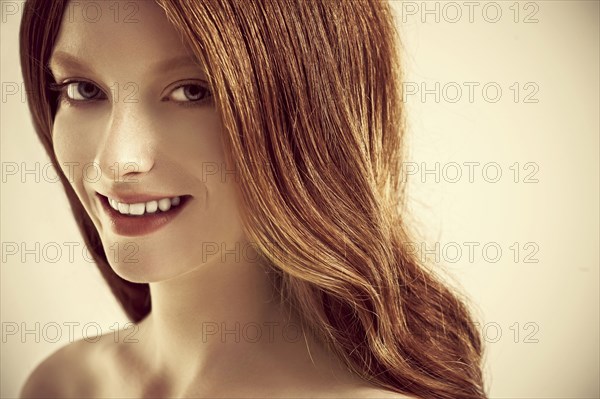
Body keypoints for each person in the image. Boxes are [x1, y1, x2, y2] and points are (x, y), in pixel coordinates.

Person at [18, 0, 487, 398]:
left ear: (316, 116)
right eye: (84, 90)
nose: (117, 161)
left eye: (192, 91)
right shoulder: (61, 384)